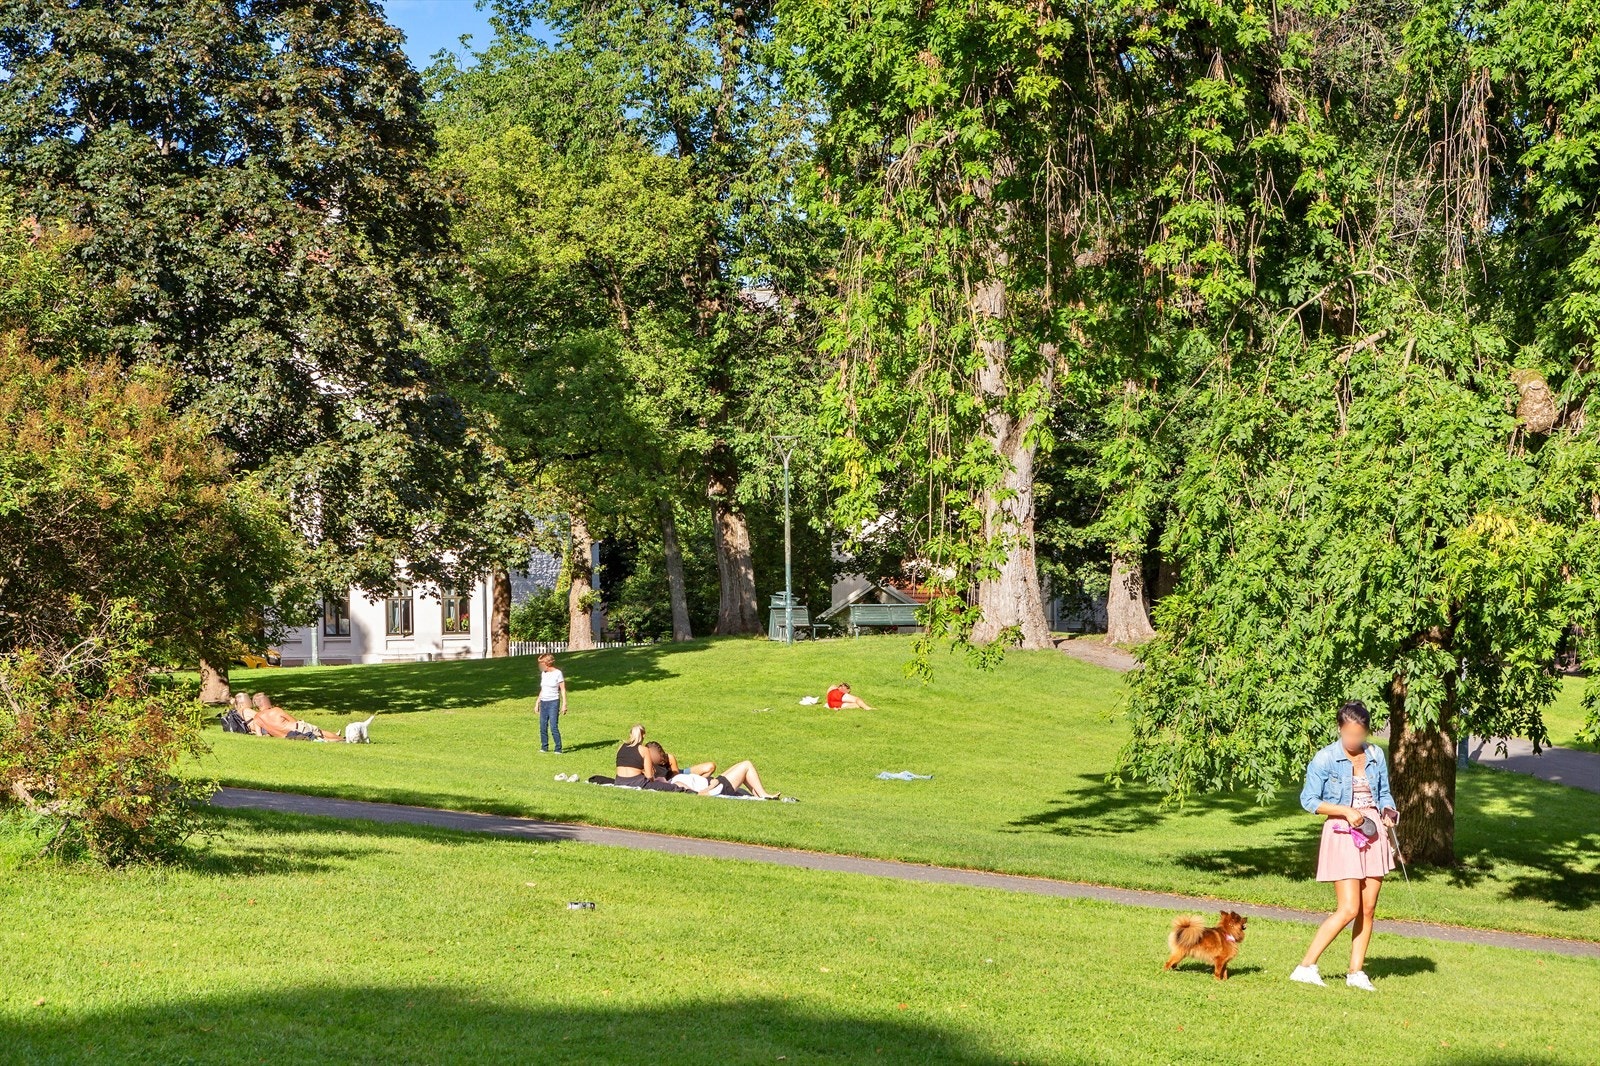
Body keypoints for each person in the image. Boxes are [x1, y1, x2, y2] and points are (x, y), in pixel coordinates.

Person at [1290, 699, 1399, 992]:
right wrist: (1344, 810)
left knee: (1368, 908)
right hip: (1342, 833)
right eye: (1349, 734)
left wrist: (1389, 812)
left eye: (1359, 735)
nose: (1354, 740)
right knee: (1349, 908)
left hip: (1373, 832)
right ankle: (1305, 966)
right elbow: (1309, 801)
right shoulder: (1325, 758)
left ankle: (1356, 972)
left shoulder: (1375, 754)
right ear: (1340, 729)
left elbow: (1384, 793)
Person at [246, 692, 343, 742]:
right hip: (297, 728)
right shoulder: (276, 710)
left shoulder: (257, 719)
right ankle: (342, 739)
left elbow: (259, 736)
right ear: (265, 702)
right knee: (320, 733)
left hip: (289, 737)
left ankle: (339, 739)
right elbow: (294, 721)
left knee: (320, 739)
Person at [536, 653, 567, 754]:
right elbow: (542, 689)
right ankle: (544, 747)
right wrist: (537, 703)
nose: (540, 666)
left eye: (541, 664)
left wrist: (564, 704)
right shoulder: (543, 674)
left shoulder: (558, 673)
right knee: (542, 726)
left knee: (553, 726)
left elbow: (562, 689)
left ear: (547, 663)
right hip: (544, 702)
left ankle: (558, 748)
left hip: (553, 702)